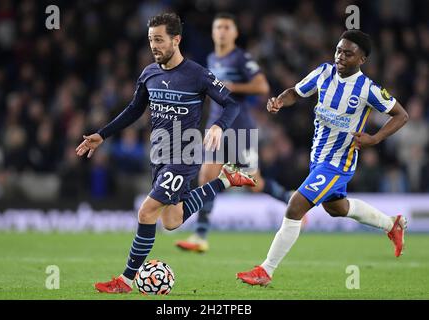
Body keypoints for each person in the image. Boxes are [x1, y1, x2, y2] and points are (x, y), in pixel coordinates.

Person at [76, 12, 256, 294]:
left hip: (184, 155)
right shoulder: (149, 73)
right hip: (158, 155)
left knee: (146, 212)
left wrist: (220, 127)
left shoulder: (197, 74)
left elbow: (231, 103)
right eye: (150, 40)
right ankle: (225, 180)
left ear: (176, 39)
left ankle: (124, 281)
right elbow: (134, 110)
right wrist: (103, 134)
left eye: (159, 40)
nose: (154, 46)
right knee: (171, 221)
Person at [236, 30, 409, 286]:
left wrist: (375, 138)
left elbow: (401, 115)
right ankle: (391, 224)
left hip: (338, 163)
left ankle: (266, 270)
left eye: (348, 54)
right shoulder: (323, 72)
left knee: (295, 206)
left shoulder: (367, 89)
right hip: (318, 158)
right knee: (336, 208)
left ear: (362, 60)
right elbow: (296, 91)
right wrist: (281, 101)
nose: (340, 57)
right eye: (339, 50)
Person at [175, 13, 292, 253]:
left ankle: (291, 200)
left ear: (235, 33)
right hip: (216, 126)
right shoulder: (210, 58)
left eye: (227, 27)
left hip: (240, 129)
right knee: (206, 176)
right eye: (218, 27)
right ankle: (200, 236)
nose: (222, 31)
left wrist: (233, 87)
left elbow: (262, 86)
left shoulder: (240, 58)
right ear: (212, 32)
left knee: (254, 183)